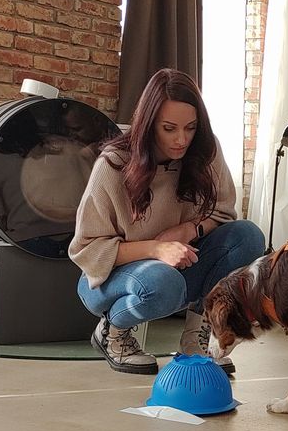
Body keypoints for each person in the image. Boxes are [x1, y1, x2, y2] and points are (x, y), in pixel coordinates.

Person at [70, 69, 264, 375]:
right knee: (164, 282)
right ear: (149, 125)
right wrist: (157, 249)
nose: (181, 139)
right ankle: (113, 332)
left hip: (177, 265)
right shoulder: (112, 165)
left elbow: (224, 213)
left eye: (190, 128)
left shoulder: (204, 152)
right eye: (169, 128)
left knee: (247, 236)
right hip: (108, 280)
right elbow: (86, 251)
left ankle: (196, 337)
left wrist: (189, 229)